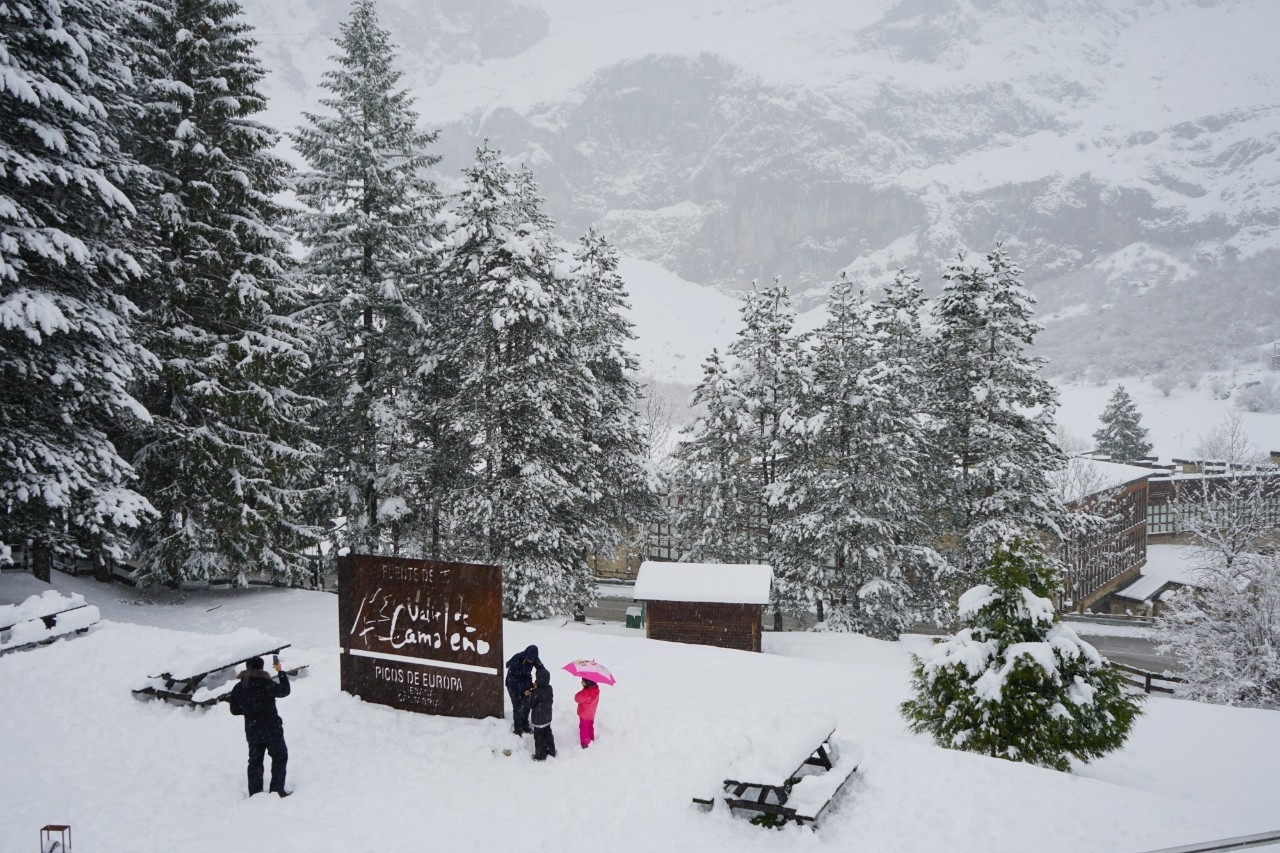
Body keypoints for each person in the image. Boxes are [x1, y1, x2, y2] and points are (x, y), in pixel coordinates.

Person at [228, 655, 292, 797]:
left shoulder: (239, 687)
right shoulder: (267, 684)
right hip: (272, 729)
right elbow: (285, 690)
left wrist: (249, 710)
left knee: (255, 761)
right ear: (262, 667)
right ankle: (277, 790)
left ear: (247, 668)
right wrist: (280, 672)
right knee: (279, 757)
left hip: (253, 729)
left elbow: (234, 710)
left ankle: (255, 793)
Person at [504, 644, 545, 736]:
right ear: (526, 654)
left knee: (527, 705)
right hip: (513, 685)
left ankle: (525, 725)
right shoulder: (517, 660)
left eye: (532, 659)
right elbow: (512, 679)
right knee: (517, 706)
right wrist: (523, 690)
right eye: (529, 658)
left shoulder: (534, 659)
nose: (531, 661)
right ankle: (518, 729)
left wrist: (538, 682)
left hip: (525, 682)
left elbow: (542, 670)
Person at [526, 675, 556, 761]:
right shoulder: (549, 688)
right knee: (548, 734)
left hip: (538, 719)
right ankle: (551, 751)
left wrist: (530, 695)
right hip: (547, 717)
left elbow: (530, 704)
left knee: (539, 737)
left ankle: (540, 755)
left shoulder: (536, 692)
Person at [574, 678, 600, 749]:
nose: (581, 682)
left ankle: (585, 743)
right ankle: (591, 738)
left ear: (588, 683)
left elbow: (577, 698)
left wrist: (583, 691)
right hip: (591, 713)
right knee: (590, 726)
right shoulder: (595, 690)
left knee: (583, 728)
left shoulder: (586, 693)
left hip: (584, 714)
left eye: (583, 681)